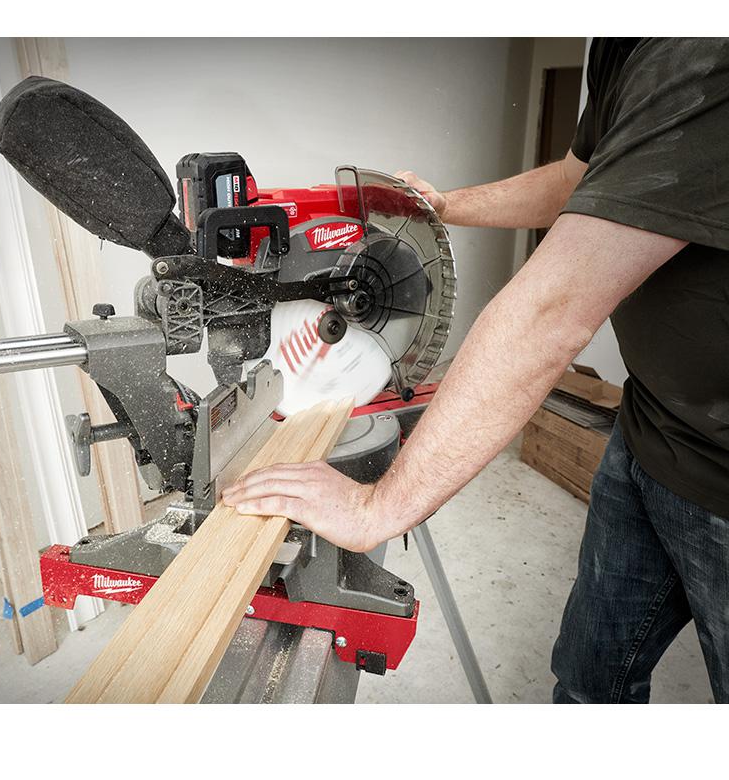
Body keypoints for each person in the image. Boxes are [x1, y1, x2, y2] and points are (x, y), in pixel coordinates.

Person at [223, 37, 729, 704]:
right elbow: (579, 182)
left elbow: (552, 312)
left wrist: (378, 507)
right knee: (588, 681)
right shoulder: (622, 44)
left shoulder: (703, 49)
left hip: (722, 473)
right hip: (648, 428)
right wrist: (443, 208)